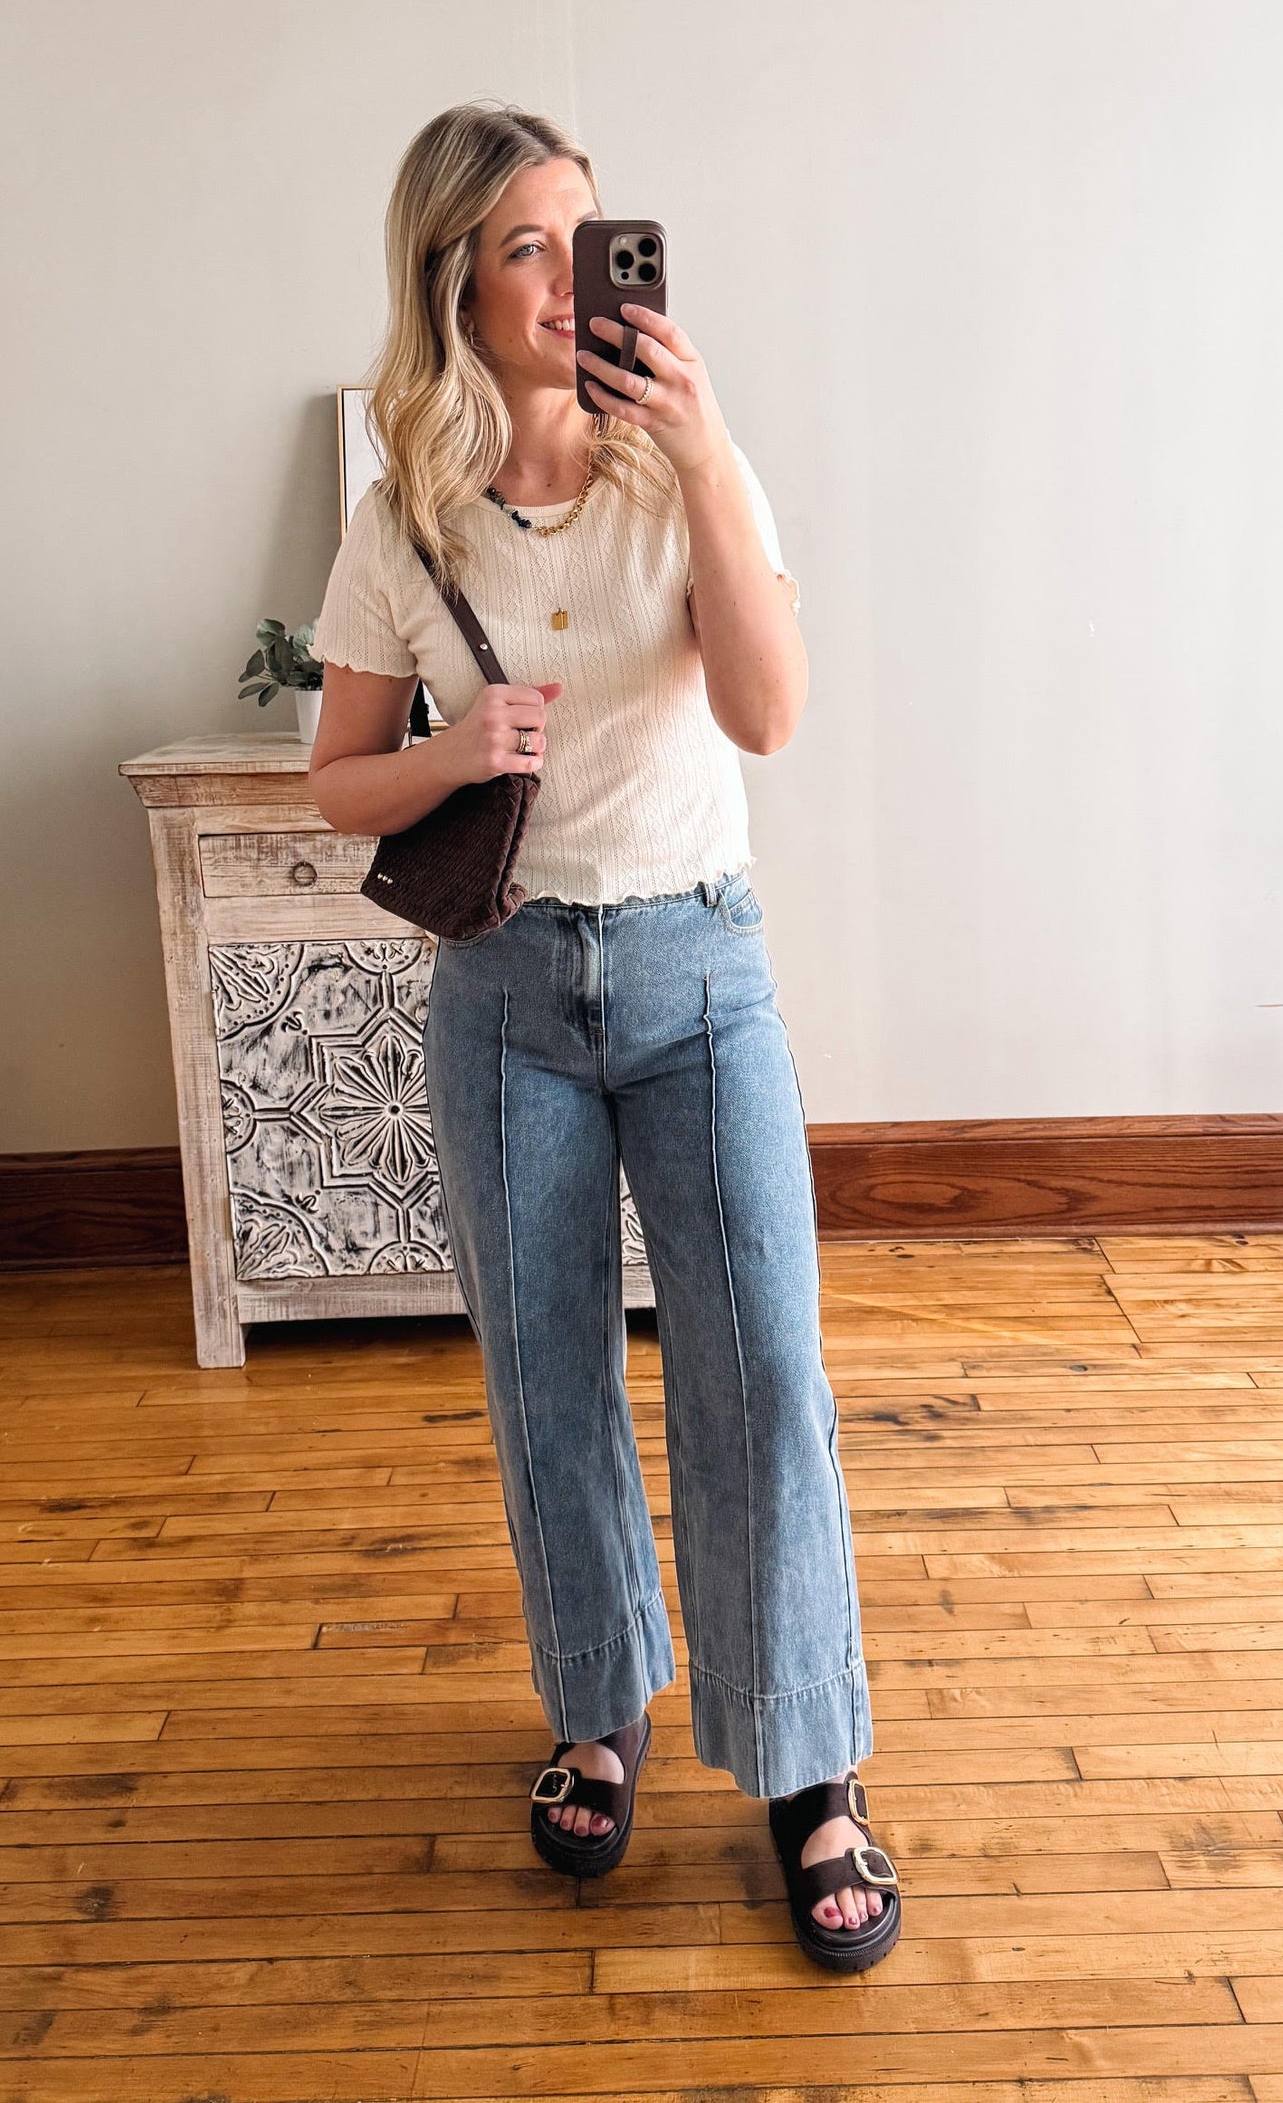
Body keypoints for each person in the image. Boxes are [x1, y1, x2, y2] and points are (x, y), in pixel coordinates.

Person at [308, 102, 900, 1971]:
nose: (571, 279)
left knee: (763, 1379)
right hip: (501, 999)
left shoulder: (687, 475)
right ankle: (597, 1708)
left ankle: (809, 1765)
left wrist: (709, 454)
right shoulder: (398, 509)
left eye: (587, 235)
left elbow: (772, 712)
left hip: (696, 977)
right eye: (525, 249)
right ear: (455, 289)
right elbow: (339, 783)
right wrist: (450, 753)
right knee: (545, 1380)